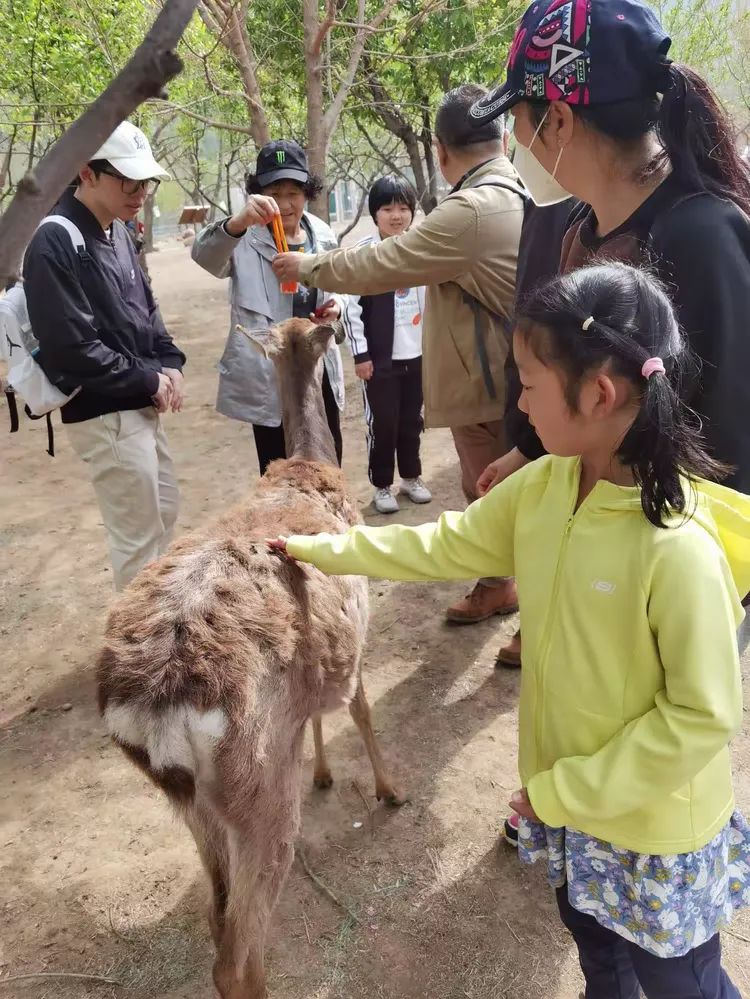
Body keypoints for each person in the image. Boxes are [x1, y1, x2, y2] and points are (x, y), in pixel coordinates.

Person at [272, 262, 750, 999]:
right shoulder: (547, 485)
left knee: (681, 982)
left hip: (652, 831)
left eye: (528, 383)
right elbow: (443, 545)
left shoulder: (676, 549)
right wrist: (321, 550)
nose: (518, 402)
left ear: (599, 394)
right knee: (598, 954)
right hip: (571, 811)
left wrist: (567, 791)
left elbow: (701, 716)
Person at [471, 0, 750, 674]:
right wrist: (530, 451)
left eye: (518, 119)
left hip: (670, 580)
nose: (515, 140)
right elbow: (585, 377)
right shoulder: (583, 227)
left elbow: (732, 446)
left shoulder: (700, 237)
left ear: (560, 121)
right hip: (604, 562)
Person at [272, 84, 525, 625]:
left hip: (491, 386)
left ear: (440, 150)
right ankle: (500, 583)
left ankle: (511, 592)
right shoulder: (519, 191)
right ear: (503, 138)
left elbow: (384, 264)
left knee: (495, 495)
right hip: (512, 377)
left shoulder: (471, 210)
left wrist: (308, 267)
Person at [22, 121, 185, 592]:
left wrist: (170, 361)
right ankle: (138, 634)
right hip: (104, 411)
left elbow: (146, 310)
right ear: (86, 172)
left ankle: (154, 621)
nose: (141, 193)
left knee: (164, 513)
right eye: (129, 181)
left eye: (146, 182)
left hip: (140, 399)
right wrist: (149, 380)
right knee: (138, 539)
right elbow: (71, 347)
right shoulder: (55, 239)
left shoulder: (119, 232)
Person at [191, 139, 346, 475]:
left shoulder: (321, 234)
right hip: (271, 379)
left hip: (318, 372)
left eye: (294, 193)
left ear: (307, 192)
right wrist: (236, 224)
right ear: (258, 195)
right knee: (277, 472)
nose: (285, 204)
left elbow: (340, 290)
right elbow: (203, 256)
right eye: (274, 193)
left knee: (328, 464)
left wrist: (337, 311)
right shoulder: (243, 238)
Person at [342, 176, 431, 514]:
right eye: (388, 208)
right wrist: (361, 354)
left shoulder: (420, 249)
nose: (396, 216)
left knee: (412, 420)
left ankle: (411, 477)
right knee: (383, 423)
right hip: (380, 359)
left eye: (404, 208)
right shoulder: (363, 254)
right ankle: (382, 485)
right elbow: (350, 308)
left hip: (417, 354)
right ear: (374, 213)